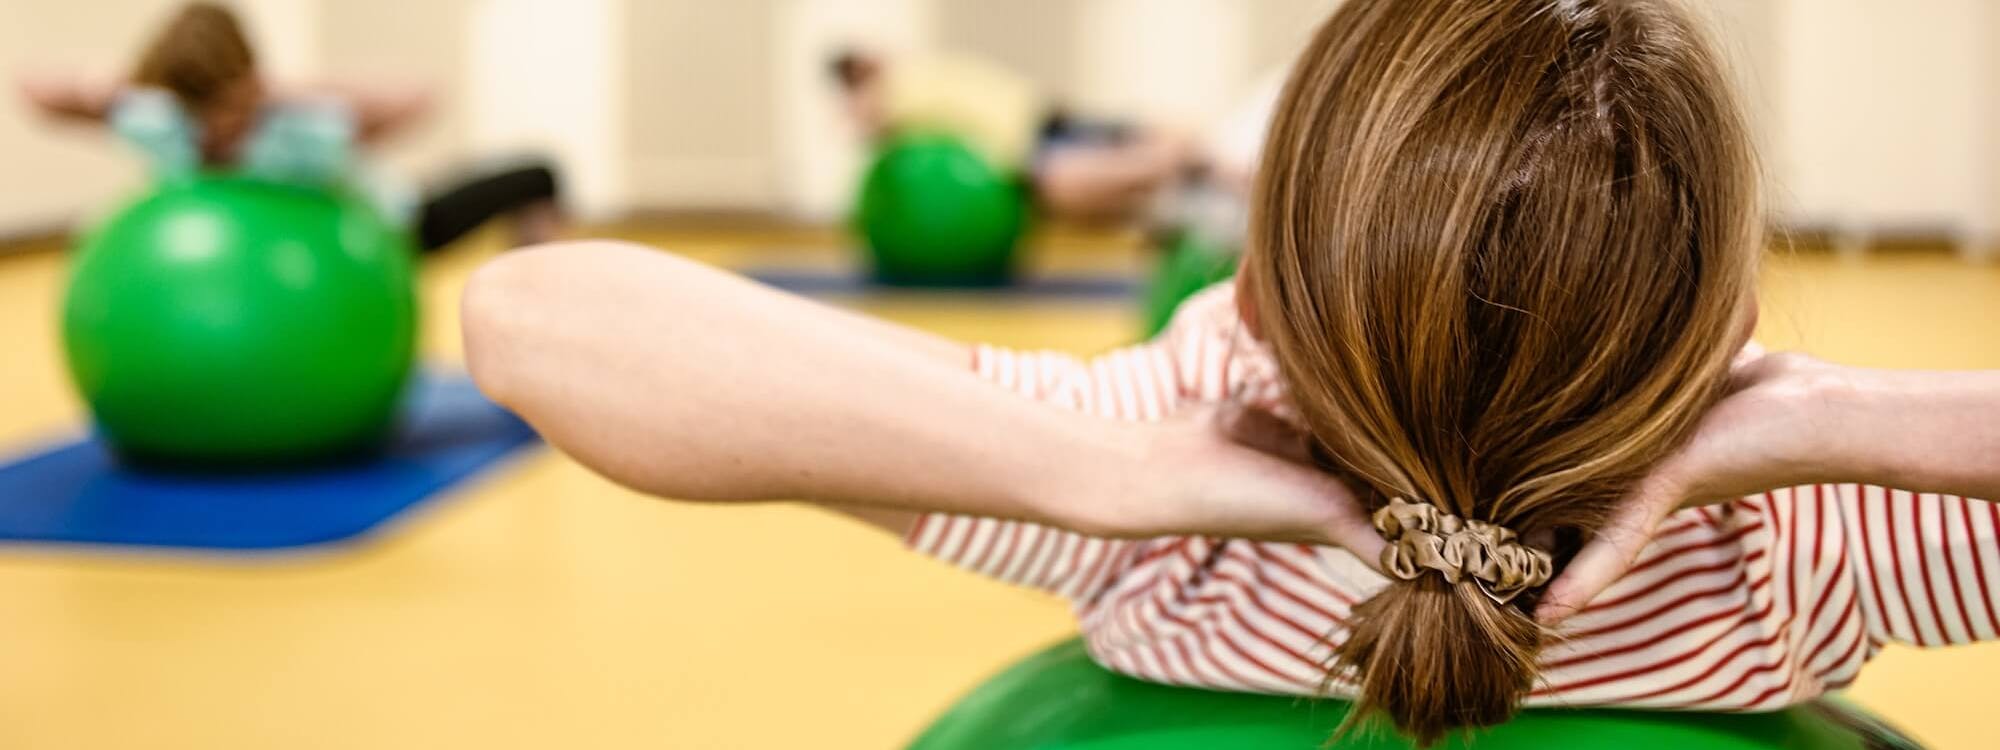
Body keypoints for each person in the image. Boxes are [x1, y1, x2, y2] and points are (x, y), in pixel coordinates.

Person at [462, 0, 2000, 745]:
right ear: (1725, 320)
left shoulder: (1172, 500)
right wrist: (1835, 419)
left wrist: (1096, 470)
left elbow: (531, 317)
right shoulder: (1799, 544)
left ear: (1253, 295)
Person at [18, 2, 563, 252]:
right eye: (198, 109)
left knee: (536, 173)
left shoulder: (295, 124)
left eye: (227, 106)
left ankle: (538, 282)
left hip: (384, 232)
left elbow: (421, 97)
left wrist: (284, 90)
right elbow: (34, 89)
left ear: (251, 84)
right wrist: (135, 81)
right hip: (248, 260)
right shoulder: (159, 120)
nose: (215, 127)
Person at [829, 48, 1193, 224]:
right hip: (1028, 121)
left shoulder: (903, 82)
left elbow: (861, 125)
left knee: (1065, 180)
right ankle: (1173, 160)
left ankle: (1173, 157)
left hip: (1022, 130)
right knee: (1083, 171)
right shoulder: (906, 79)